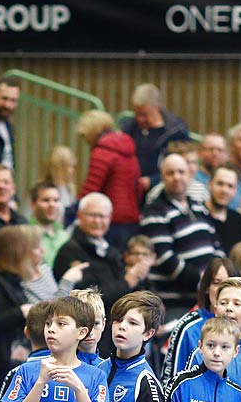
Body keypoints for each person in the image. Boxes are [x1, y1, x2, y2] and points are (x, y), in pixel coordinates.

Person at [142, 152, 222, 312]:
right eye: (170, 173)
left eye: (181, 172)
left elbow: (216, 245)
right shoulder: (154, 211)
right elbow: (166, 259)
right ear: (162, 177)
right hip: (178, 302)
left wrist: (223, 276)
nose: (176, 177)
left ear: (190, 175)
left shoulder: (199, 206)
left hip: (209, 296)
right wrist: (205, 283)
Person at [79, 110, 142, 239]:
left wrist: (76, 209)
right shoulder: (129, 150)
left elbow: (92, 188)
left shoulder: (102, 152)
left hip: (110, 218)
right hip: (132, 218)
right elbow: (138, 186)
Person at [120, 84, 186, 185]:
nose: (140, 119)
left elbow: (182, 167)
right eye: (137, 114)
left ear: (157, 108)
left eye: (144, 115)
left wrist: (153, 181)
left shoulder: (176, 131)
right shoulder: (129, 127)